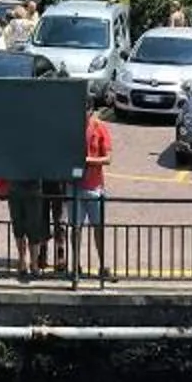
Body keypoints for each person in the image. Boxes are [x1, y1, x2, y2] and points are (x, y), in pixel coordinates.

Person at [71, 108, 112, 280]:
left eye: (86, 110)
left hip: (94, 187)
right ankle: (75, 266)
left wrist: (88, 161)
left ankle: (102, 265)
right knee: (76, 228)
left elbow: (108, 158)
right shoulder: (72, 127)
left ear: (91, 111)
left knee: (98, 227)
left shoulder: (99, 128)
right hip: (74, 187)